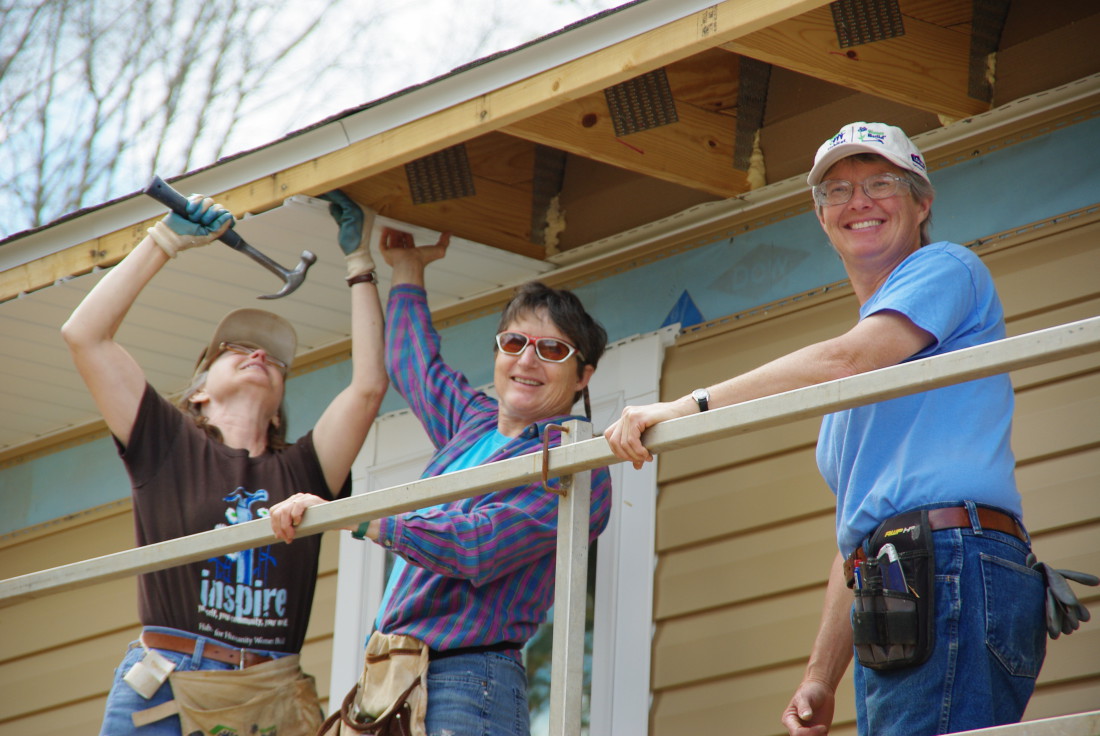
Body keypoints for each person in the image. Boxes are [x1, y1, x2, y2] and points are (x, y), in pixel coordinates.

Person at [604, 122, 1050, 735]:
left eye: (880, 183)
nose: (858, 201)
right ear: (821, 218)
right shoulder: (845, 401)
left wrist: (689, 406)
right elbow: (859, 541)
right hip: (897, 578)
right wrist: (820, 676)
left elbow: (849, 358)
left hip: (953, 562)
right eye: (836, 190)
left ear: (922, 203)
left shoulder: (946, 266)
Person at [62, 189, 387, 734]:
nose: (259, 354)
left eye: (274, 359)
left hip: (268, 696)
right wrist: (164, 241)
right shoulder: (167, 443)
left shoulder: (304, 471)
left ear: (279, 404)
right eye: (235, 349)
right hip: (167, 685)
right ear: (200, 392)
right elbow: (84, 336)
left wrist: (360, 263)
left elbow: (370, 386)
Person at [271, 227, 613, 736]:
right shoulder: (473, 422)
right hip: (393, 675)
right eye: (514, 342)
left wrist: (357, 516)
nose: (526, 360)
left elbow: (477, 546)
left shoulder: (574, 461)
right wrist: (408, 269)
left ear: (583, 376)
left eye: (552, 350)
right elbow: (414, 365)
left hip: (468, 682)